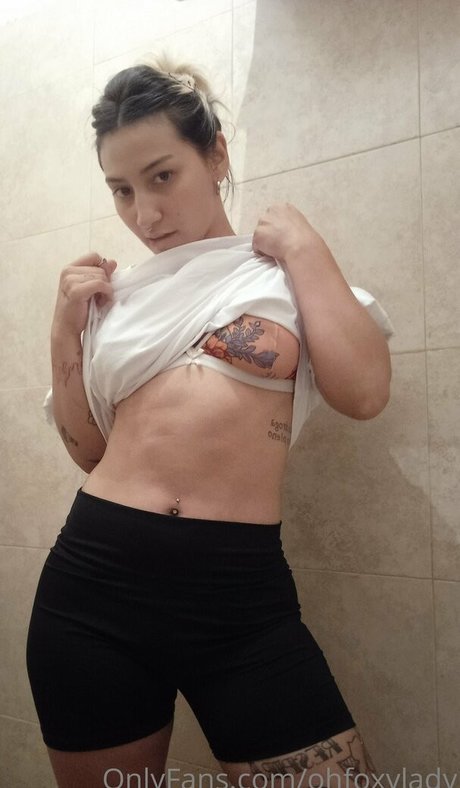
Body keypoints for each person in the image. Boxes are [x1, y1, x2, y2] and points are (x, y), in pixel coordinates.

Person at [26, 55, 393, 788]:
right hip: (92, 587)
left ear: (216, 154)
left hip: (239, 600)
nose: (145, 214)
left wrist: (303, 245)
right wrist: (64, 330)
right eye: (122, 190)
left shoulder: (281, 275)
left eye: (162, 176)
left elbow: (364, 393)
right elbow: (90, 452)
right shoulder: (119, 300)